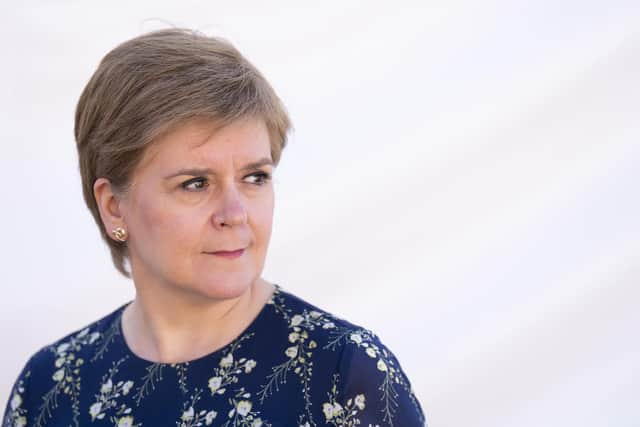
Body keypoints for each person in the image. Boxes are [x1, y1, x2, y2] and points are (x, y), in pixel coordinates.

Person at [2, 28, 426, 427]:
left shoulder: (344, 376)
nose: (235, 212)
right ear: (114, 207)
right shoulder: (51, 389)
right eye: (195, 183)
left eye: (255, 177)